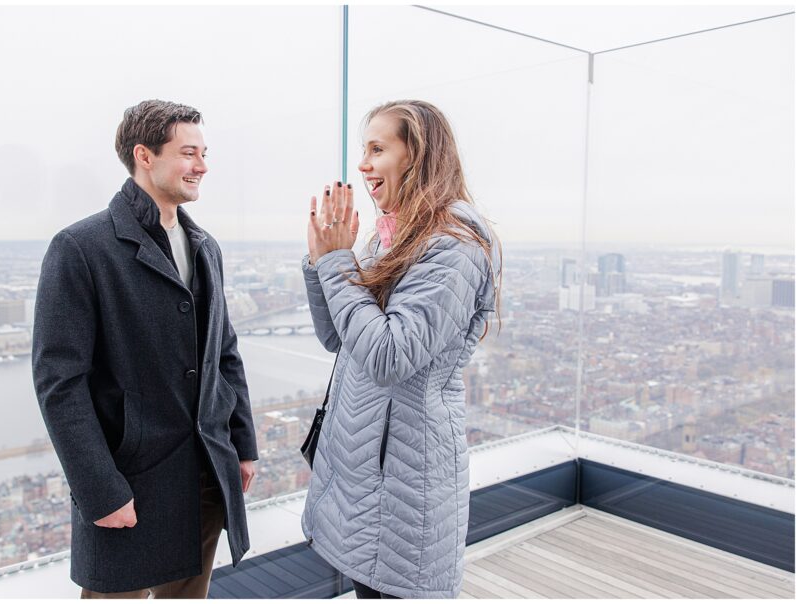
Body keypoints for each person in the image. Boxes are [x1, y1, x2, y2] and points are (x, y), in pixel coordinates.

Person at [32, 99, 258, 598]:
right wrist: (99, 491)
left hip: (203, 477)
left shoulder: (205, 246)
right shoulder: (79, 248)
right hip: (127, 484)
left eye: (204, 152)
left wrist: (242, 444)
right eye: (188, 152)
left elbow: (225, 352)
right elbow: (59, 385)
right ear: (145, 156)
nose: (202, 165)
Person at [300, 100, 502, 598]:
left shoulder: (453, 245)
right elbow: (339, 339)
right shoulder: (387, 239)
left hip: (405, 480)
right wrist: (319, 261)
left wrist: (337, 265)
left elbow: (390, 356)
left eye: (377, 149)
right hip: (370, 474)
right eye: (362, 151)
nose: (364, 165)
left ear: (417, 155)